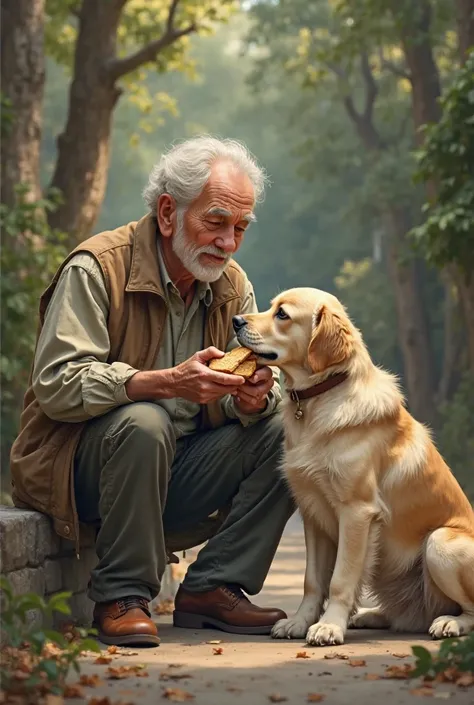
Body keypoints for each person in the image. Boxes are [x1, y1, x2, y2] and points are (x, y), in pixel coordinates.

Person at [10, 136, 295, 646]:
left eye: (240, 228)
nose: (228, 243)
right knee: (147, 420)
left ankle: (213, 587)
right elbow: (56, 383)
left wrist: (251, 398)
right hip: (79, 472)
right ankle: (122, 596)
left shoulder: (232, 286)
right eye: (216, 222)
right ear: (168, 213)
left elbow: (247, 396)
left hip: (174, 472)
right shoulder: (98, 267)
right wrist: (159, 383)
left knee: (286, 429)